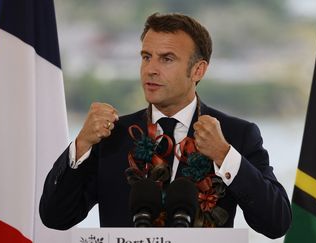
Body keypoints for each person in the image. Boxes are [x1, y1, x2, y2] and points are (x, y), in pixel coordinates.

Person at [40, 12, 291, 239]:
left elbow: (276, 223)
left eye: (166, 59)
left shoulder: (236, 135)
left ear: (198, 70)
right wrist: (82, 143)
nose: (150, 69)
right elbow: (56, 217)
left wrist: (225, 156)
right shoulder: (112, 136)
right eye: (146, 57)